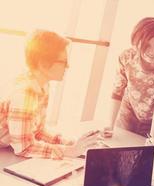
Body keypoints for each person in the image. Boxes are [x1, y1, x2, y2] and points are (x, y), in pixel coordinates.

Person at [0, 30, 99, 159]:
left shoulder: (42, 85)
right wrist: (69, 151)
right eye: (63, 62)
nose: (67, 66)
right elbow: (24, 147)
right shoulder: (24, 93)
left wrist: (69, 143)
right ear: (43, 64)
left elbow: (38, 131)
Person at [102, 17, 154, 138]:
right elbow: (118, 90)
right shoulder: (127, 57)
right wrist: (110, 126)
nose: (152, 51)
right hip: (128, 112)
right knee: (118, 149)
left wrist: (153, 139)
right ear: (136, 43)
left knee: (143, 152)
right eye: (146, 45)